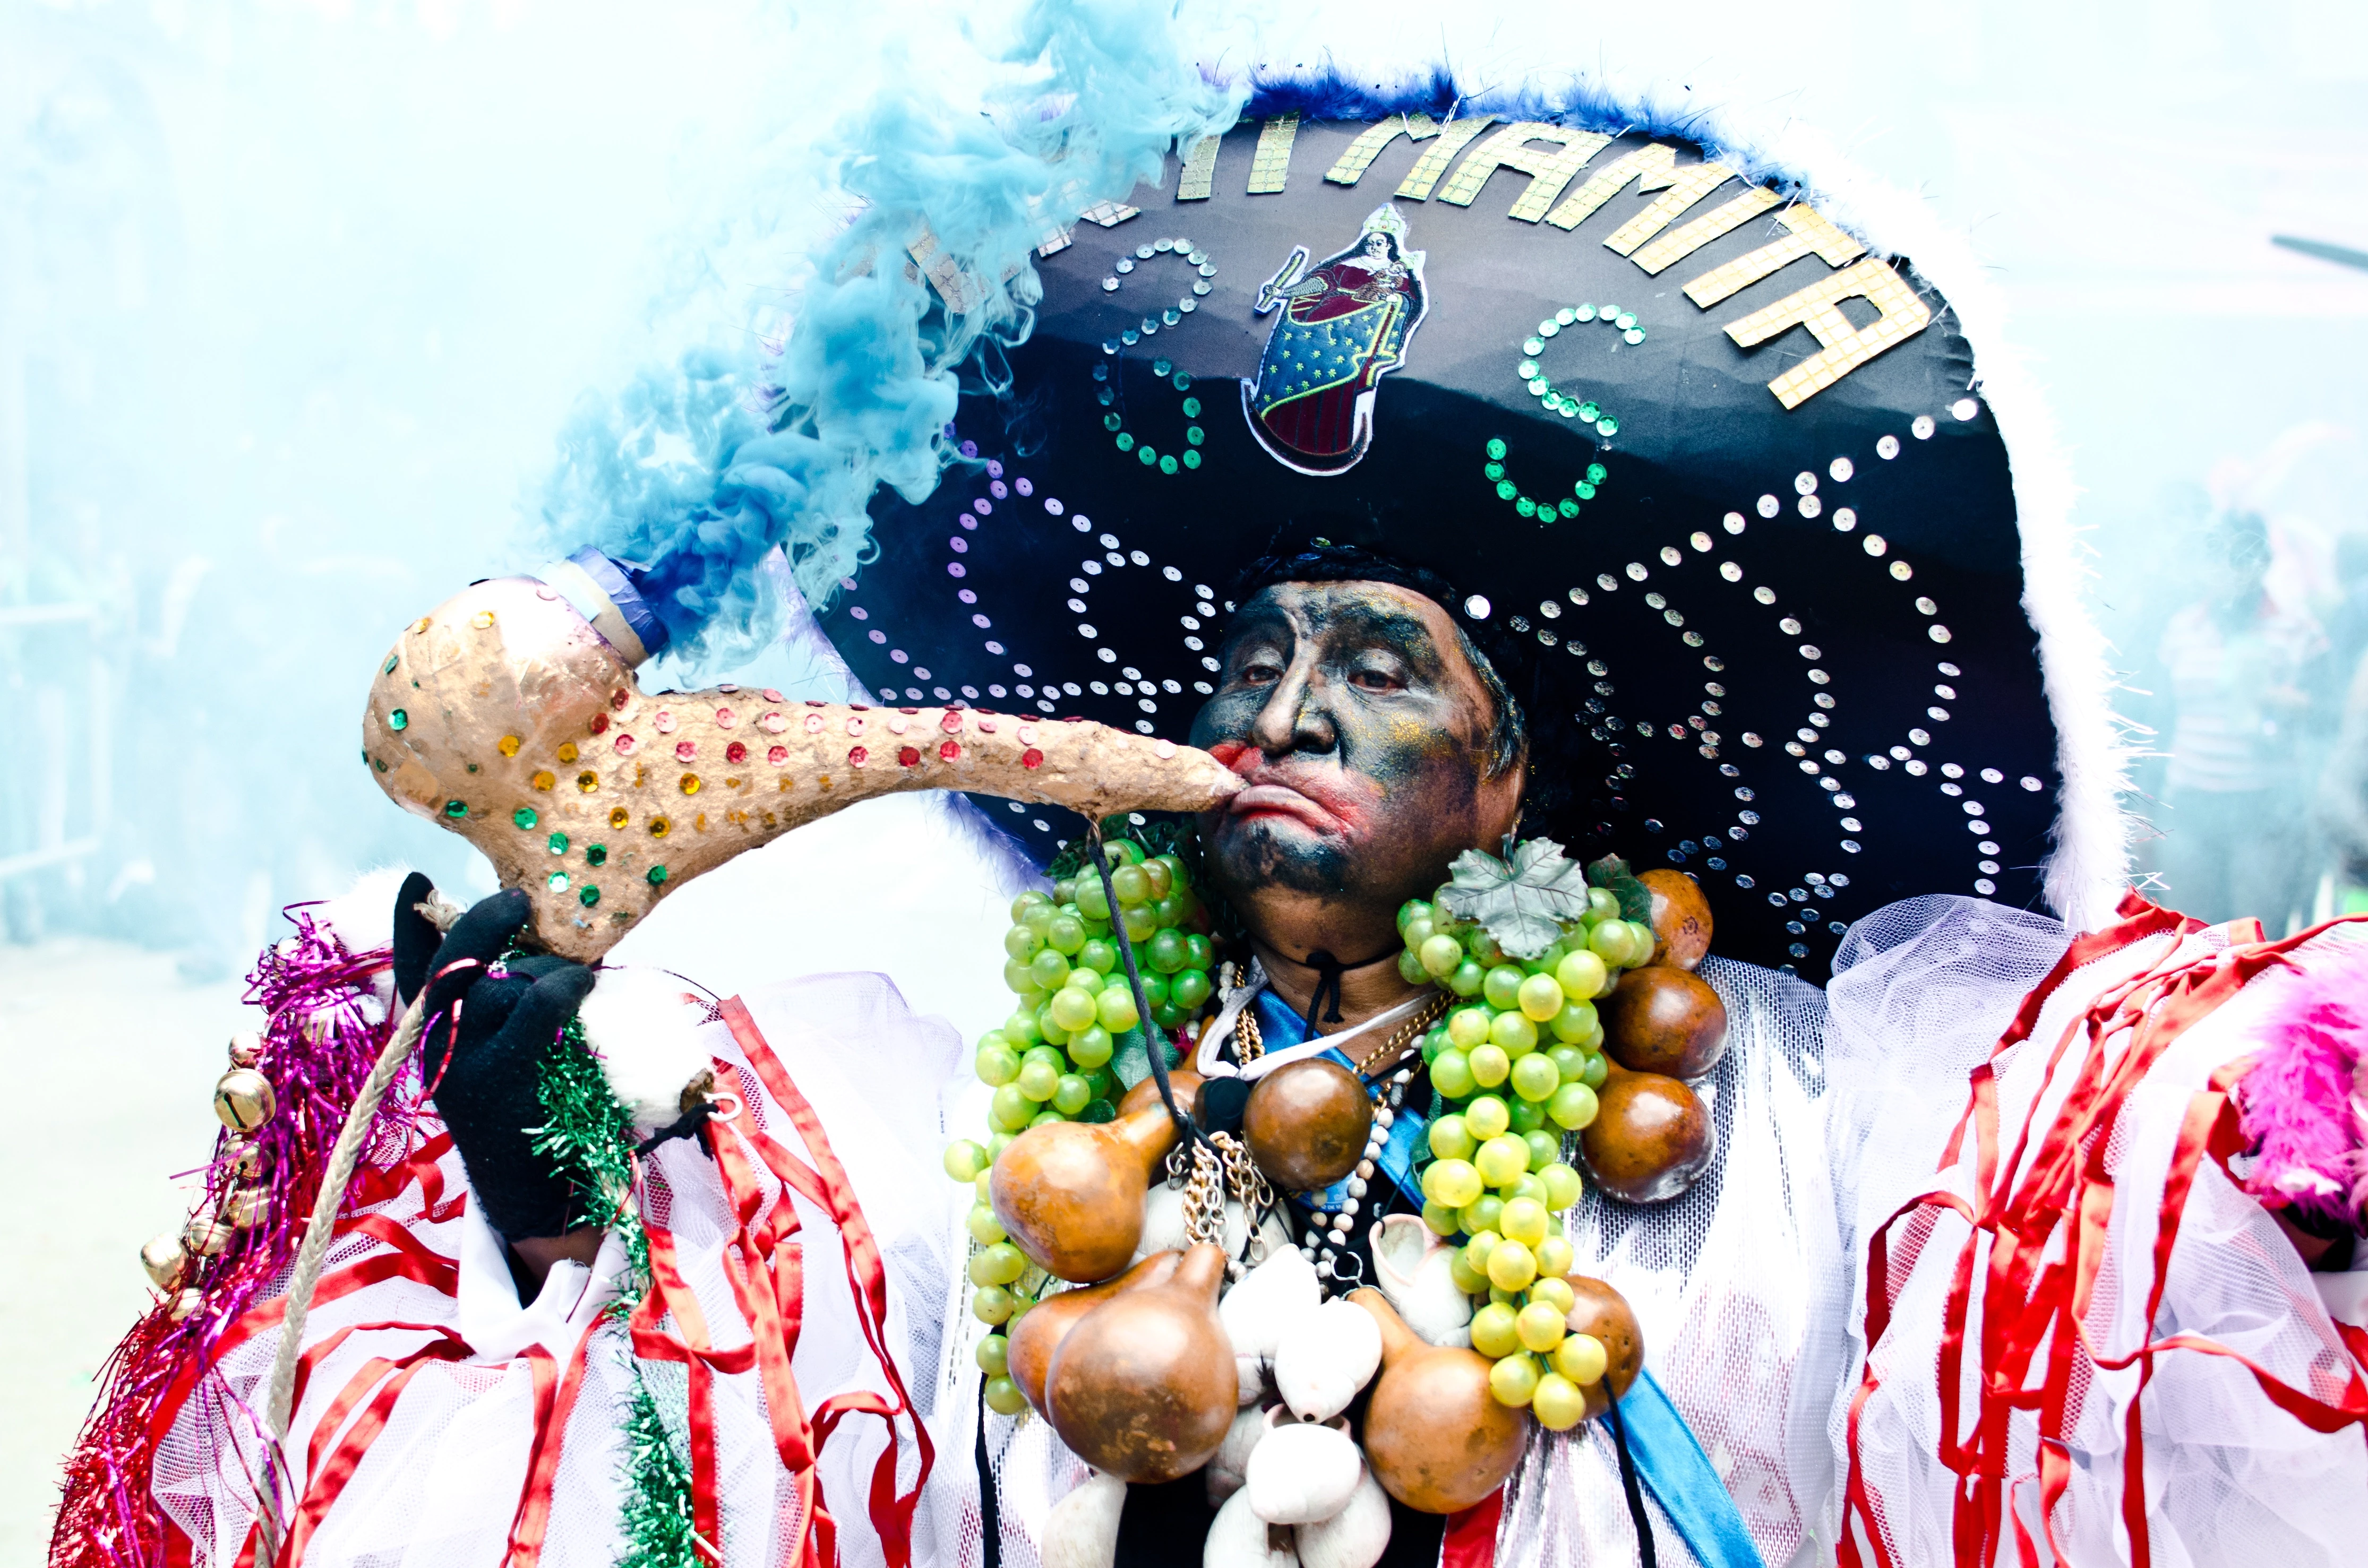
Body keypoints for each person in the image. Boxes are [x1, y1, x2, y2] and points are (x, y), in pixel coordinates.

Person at [59, 61, 2368, 1568]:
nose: (1282, 710)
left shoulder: (1742, 1076)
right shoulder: (1031, 1072)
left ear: (1506, 774)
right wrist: (548, 1109)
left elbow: (2050, 1195)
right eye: (1251, 661)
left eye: (1378, 670)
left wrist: (2268, 1112)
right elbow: (753, 1332)